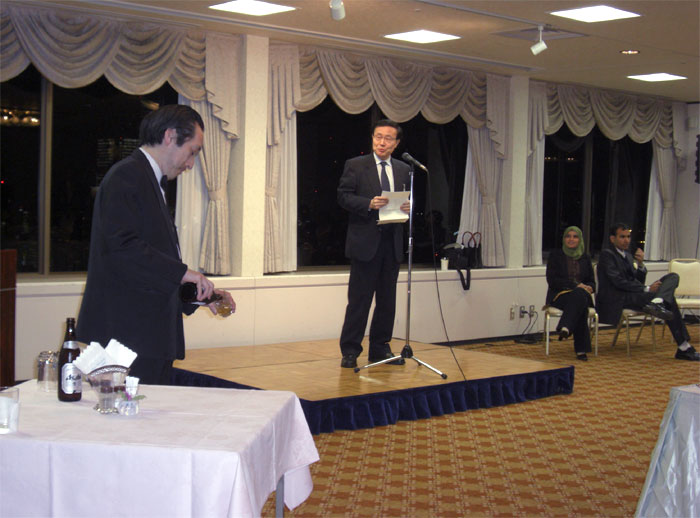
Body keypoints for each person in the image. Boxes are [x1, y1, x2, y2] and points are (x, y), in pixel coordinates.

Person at [77, 104, 236, 384]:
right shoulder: (126, 176)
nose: (191, 164)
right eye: (193, 151)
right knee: (129, 413)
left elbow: (148, 270)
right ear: (170, 136)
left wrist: (202, 295)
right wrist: (184, 273)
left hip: (146, 336)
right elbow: (123, 248)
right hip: (126, 338)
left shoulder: (148, 180)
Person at [337, 119, 412, 368]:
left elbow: (406, 200)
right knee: (359, 301)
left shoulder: (403, 169)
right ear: (372, 139)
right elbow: (343, 197)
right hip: (365, 244)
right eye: (378, 137)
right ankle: (350, 350)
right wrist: (368, 204)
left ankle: (380, 349)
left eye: (388, 138)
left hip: (392, 243)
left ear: (396, 143)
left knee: (387, 302)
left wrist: (408, 207)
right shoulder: (356, 165)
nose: (382, 142)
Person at [596, 222, 698, 361]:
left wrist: (641, 265)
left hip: (633, 294)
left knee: (673, 277)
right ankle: (683, 346)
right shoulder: (607, 255)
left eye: (628, 237)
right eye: (622, 237)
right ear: (612, 239)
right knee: (670, 301)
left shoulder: (628, 255)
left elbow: (637, 280)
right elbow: (618, 282)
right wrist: (648, 289)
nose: (626, 240)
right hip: (617, 297)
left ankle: (658, 301)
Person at [546, 226, 596, 361]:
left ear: (580, 240)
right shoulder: (555, 256)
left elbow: (592, 282)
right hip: (560, 295)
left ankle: (565, 326)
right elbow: (552, 281)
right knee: (580, 304)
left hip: (582, 294)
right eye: (568, 236)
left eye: (575, 236)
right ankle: (581, 350)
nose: (571, 239)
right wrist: (575, 286)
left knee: (579, 296)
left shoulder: (585, 257)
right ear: (564, 239)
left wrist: (590, 287)